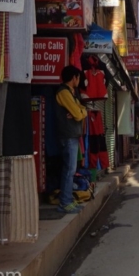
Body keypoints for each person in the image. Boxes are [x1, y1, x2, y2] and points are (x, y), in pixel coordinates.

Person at [55, 65, 88, 214]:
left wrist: (79, 111)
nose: (79, 80)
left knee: (70, 169)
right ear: (74, 77)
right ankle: (65, 202)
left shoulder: (71, 92)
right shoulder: (64, 92)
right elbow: (78, 113)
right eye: (78, 77)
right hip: (68, 136)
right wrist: (79, 111)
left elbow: (81, 110)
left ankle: (67, 200)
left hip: (72, 135)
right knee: (69, 170)